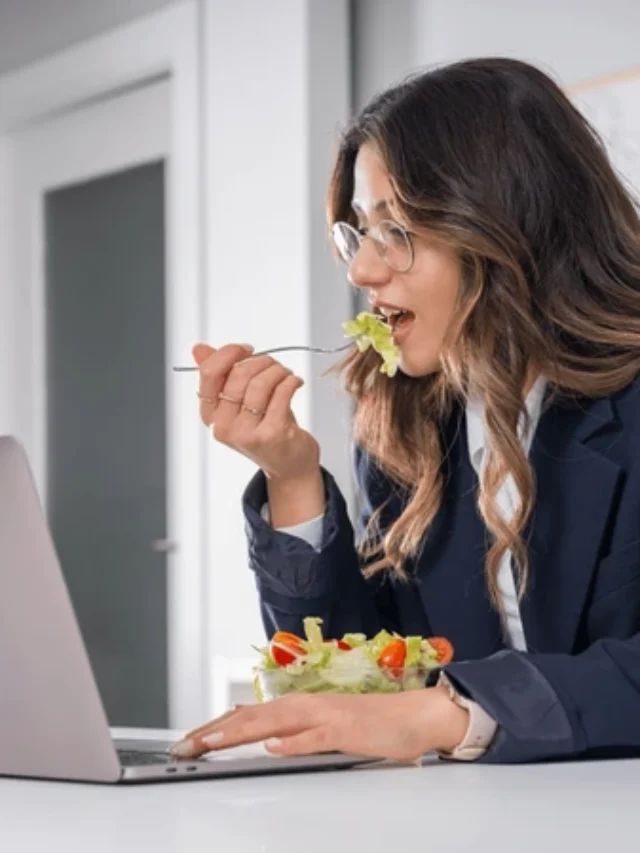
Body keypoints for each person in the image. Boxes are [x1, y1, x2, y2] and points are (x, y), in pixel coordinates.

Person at [171, 57, 640, 764]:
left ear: (509, 226)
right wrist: (291, 478)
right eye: (359, 231)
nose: (361, 270)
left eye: (396, 229)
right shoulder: (413, 427)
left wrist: (453, 712)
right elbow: (364, 685)